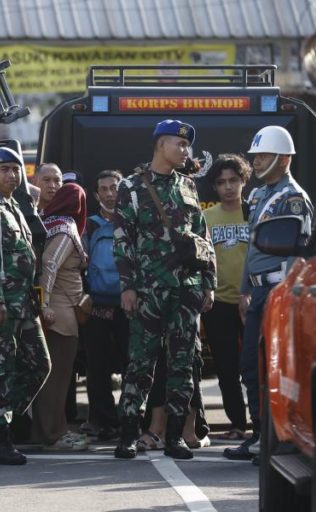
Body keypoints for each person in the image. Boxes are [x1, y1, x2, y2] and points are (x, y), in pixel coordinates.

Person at [113, 119, 215, 460]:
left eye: (187, 146)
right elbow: (122, 239)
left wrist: (208, 284)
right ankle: (129, 433)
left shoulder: (188, 186)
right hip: (147, 290)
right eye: (180, 145)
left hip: (185, 288)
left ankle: (175, 436)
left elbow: (203, 238)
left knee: (183, 363)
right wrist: (127, 286)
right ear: (160, 145)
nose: (185, 151)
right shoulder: (131, 186)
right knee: (140, 363)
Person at [223, 126, 314, 461]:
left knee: (274, 369)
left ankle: (278, 436)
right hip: (258, 293)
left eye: (262, 156)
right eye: (256, 155)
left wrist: (285, 297)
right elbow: (253, 249)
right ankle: (261, 431)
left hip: (279, 290)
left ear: (284, 159)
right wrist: (245, 292)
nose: (256, 162)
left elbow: (294, 252)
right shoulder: (259, 195)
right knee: (250, 366)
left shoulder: (292, 199)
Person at [0, 146, 52, 465]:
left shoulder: (13, 206)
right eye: (4, 169)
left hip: (22, 304)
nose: (11, 174)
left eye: (15, 169)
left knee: (39, 364)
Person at [30, 182, 90, 450]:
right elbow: (50, 265)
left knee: (51, 379)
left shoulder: (48, 222)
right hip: (61, 315)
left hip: (58, 310)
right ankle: (55, 433)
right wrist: (42, 305)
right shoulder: (66, 228)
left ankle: (45, 431)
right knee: (57, 380)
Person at [200, 155, 251, 441]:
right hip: (219, 303)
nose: (228, 187)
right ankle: (237, 424)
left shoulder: (256, 213)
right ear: (215, 188)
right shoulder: (207, 218)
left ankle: (260, 422)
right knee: (226, 367)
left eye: (234, 180)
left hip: (253, 302)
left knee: (256, 367)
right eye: (221, 182)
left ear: (243, 181)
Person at [80, 170, 129, 441]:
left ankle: (130, 416)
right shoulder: (89, 225)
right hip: (97, 304)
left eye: (114, 188)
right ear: (97, 195)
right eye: (104, 189)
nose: (110, 193)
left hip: (128, 304)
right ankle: (104, 420)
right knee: (97, 367)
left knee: (131, 364)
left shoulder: (132, 221)